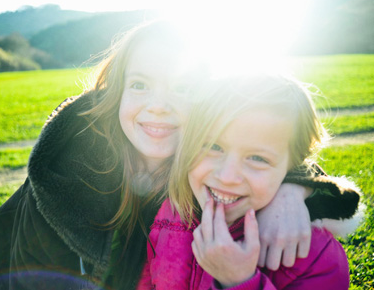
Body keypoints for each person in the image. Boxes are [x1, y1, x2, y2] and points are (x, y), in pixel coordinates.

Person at [0, 20, 360, 290]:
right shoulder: (68, 167)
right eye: (139, 85)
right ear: (115, 92)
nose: (158, 106)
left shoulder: (198, 172)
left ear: (211, 106)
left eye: (183, 89)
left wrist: (294, 189)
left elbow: (268, 147)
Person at [137, 73, 360, 289]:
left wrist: (239, 281)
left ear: (293, 167)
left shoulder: (315, 256)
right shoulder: (171, 214)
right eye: (214, 146)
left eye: (257, 158)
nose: (227, 176)